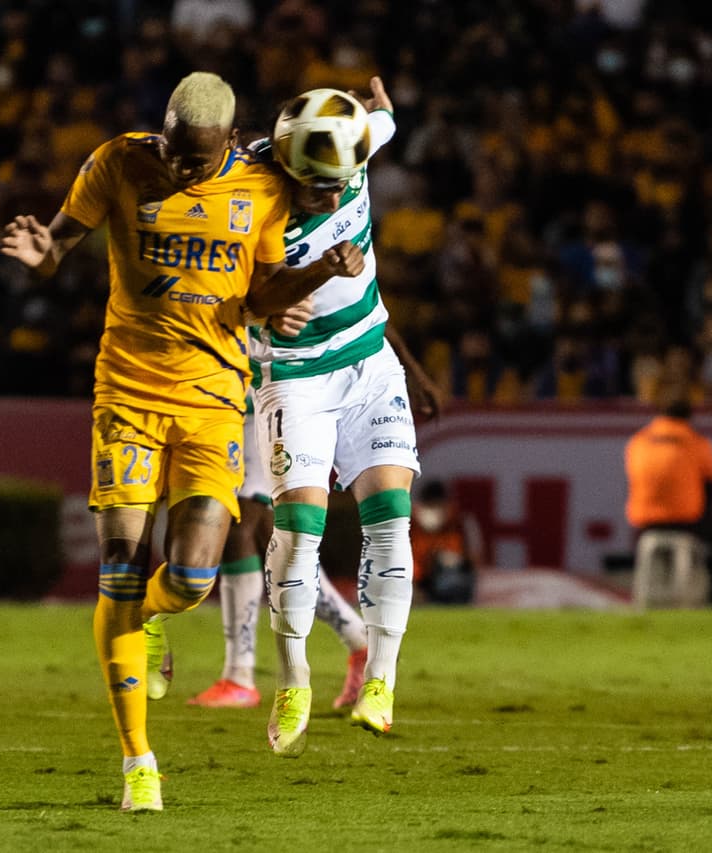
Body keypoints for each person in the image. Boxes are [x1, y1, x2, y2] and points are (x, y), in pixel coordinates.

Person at [0, 71, 363, 812]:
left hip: (210, 399)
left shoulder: (261, 186)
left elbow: (260, 293)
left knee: (194, 575)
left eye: (194, 159)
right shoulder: (118, 161)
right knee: (122, 568)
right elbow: (60, 243)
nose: (178, 167)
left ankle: (156, 619)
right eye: (171, 149)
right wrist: (43, 256)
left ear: (229, 141)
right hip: (126, 393)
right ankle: (139, 762)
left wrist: (317, 273)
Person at [245, 78, 432, 756]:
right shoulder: (249, 198)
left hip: (372, 363)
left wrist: (380, 104)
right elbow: (230, 281)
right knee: (299, 533)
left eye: (343, 184)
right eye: (322, 189)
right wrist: (267, 296)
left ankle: (379, 680)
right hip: (295, 379)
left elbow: (384, 118)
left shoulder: (349, 143)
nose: (337, 195)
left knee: (391, 519)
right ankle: (293, 675)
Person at [186, 400, 370, 710]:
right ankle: (360, 640)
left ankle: (239, 676)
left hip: (260, 409)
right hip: (252, 411)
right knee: (269, 538)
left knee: (242, 520)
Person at [624, 392, 712, 605]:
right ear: (689, 416)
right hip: (686, 521)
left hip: (645, 523)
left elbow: (632, 481)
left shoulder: (638, 441)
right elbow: (709, 489)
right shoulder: (696, 442)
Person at [411, 479, 482, 605]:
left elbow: (475, 558)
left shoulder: (460, 520)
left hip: (453, 576)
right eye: (430, 506)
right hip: (417, 582)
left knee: (449, 573)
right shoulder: (408, 523)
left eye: (437, 505)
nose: (434, 511)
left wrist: (459, 560)